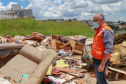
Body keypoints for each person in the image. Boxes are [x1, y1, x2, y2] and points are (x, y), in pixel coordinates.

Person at [91, 13, 114, 84]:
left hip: (100, 60)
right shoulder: (99, 29)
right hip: (97, 59)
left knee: (101, 81)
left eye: (95, 20)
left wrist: (103, 64)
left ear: (101, 20)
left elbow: (109, 49)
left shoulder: (106, 31)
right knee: (98, 79)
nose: (93, 22)